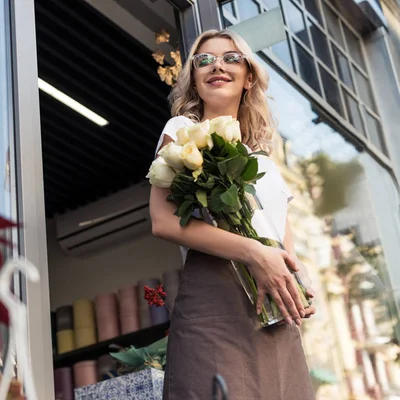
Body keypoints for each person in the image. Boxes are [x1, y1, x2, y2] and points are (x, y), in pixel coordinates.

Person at [149, 29, 317, 400]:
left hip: (274, 308)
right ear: (194, 78)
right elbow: (162, 221)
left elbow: (283, 245)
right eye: (204, 61)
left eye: (230, 58)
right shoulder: (182, 130)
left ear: (249, 77)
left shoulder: (265, 162)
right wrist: (255, 253)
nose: (216, 66)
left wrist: (300, 283)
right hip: (215, 307)